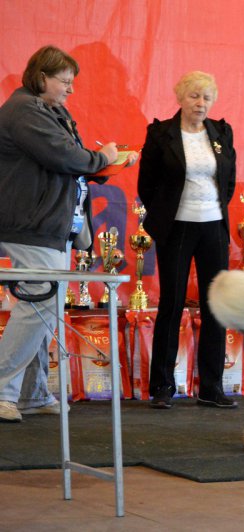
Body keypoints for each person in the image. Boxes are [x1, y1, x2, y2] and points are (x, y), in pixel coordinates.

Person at [0, 45, 132, 422]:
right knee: (41, 303)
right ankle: (2, 388)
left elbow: (68, 159)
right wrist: (103, 158)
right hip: (30, 224)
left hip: (45, 223)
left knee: (44, 308)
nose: (71, 90)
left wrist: (103, 162)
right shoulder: (24, 110)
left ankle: (32, 392)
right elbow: (66, 157)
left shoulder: (44, 110)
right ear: (42, 77)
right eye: (66, 81)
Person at [137, 71, 237, 410]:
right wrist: (164, 215)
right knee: (172, 303)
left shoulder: (222, 132)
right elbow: (146, 186)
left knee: (215, 307)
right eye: (195, 96)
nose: (201, 103)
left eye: (207, 97)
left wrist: (215, 212)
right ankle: (163, 386)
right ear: (180, 98)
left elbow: (228, 182)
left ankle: (211, 387)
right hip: (177, 227)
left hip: (213, 228)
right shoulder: (161, 134)